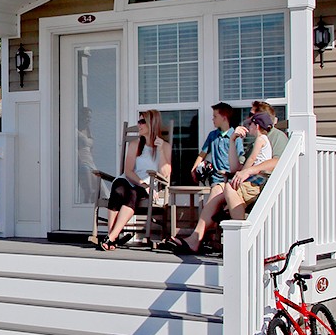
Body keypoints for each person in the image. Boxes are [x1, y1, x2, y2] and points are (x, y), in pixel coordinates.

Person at [96, 108, 172, 251]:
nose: (139, 125)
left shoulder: (165, 147)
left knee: (132, 194)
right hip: (131, 180)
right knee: (118, 189)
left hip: (147, 185)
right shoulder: (135, 144)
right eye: (139, 121)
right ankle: (112, 236)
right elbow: (128, 171)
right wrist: (143, 184)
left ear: (152, 123)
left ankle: (111, 238)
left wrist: (161, 151)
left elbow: (166, 173)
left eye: (142, 121)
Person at [174, 103, 244, 255]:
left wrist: (229, 173)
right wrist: (194, 168)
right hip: (217, 180)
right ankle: (200, 238)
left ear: (224, 117)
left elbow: (240, 161)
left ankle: (196, 239)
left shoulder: (235, 137)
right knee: (216, 191)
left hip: (230, 180)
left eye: (215, 116)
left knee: (214, 196)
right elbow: (202, 154)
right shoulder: (213, 136)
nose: (212, 119)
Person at [226, 111, 275, 220]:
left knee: (230, 188)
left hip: (257, 179)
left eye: (250, 125)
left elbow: (252, 158)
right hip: (257, 178)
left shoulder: (260, 139)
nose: (248, 127)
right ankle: (228, 211)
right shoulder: (265, 140)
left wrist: (243, 171)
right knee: (235, 194)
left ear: (257, 126)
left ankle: (236, 221)